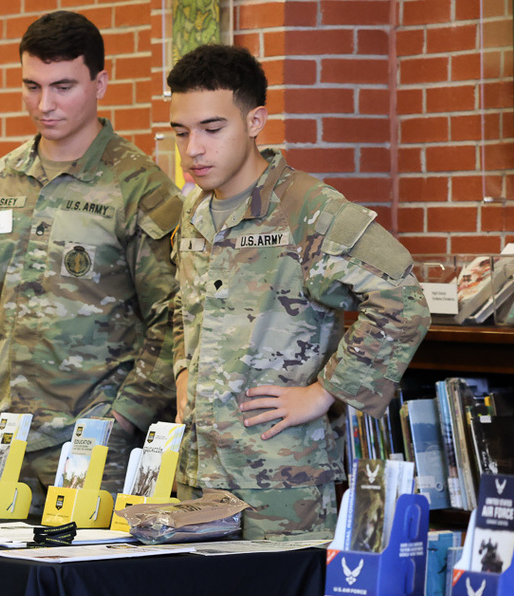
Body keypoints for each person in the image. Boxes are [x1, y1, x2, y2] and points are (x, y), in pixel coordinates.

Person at [167, 44, 430, 539]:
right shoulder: (194, 210)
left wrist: (325, 392)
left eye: (211, 129)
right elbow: (183, 303)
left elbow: (403, 300)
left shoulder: (309, 208)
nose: (192, 149)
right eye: (181, 132)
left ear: (255, 121)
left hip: (283, 479)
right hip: (198, 472)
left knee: (281, 592)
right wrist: (183, 369)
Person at [0, 11, 183, 511]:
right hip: (1, 439)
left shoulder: (138, 186)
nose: (45, 104)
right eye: (32, 86)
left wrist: (124, 416)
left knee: (91, 561)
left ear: (100, 83)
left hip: (95, 444)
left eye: (63, 87)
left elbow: (173, 319)